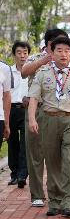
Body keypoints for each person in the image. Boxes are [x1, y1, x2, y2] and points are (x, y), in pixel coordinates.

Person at [28, 36, 70, 218]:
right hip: (48, 120)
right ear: (52, 53)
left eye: (67, 51)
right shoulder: (42, 73)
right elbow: (33, 98)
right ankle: (55, 202)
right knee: (53, 161)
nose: (63, 54)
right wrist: (32, 119)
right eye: (59, 50)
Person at [22, 28, 69, 207]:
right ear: (49, 44)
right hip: (36, 110)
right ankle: (37, 195)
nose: (62, 48)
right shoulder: (36, 57)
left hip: (58, 113)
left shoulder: (66, 59)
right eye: (58, 44)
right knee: (35, 154)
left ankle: (58, 192)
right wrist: (45, 59)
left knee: (56, 154)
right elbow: (24, 72)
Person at [7, 41, 30, 188]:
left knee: (25, 143)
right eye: (19, 53)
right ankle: (14, 174)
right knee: (12, 142)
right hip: (10, 109)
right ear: (14, 55)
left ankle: (23, 175)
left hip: (27, 110)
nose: (22, 56)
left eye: (25, 52)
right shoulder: (7, 71)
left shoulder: (32, 71)